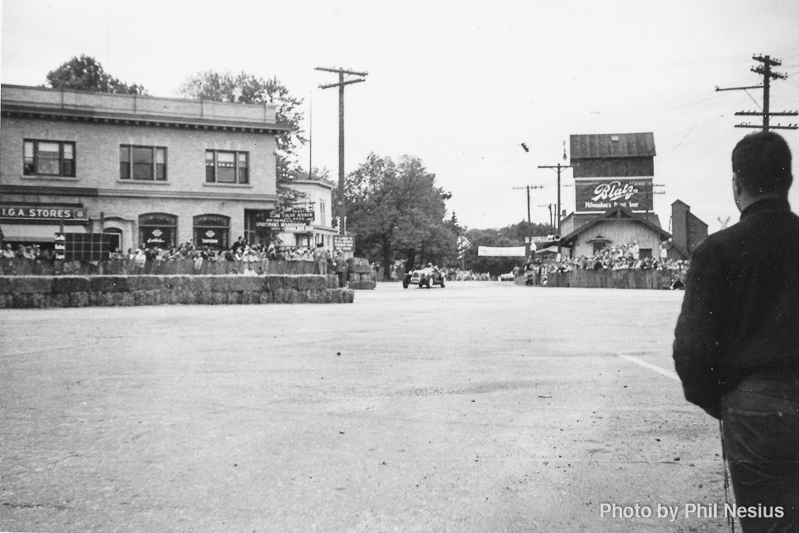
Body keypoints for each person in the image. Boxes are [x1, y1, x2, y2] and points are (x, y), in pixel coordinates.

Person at [673, 131, 799, 533]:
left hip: (756, 407)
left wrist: (725, 400)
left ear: (736, 185)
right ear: (789, 180)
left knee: (771, 523)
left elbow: (692, 351)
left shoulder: (717, 250)